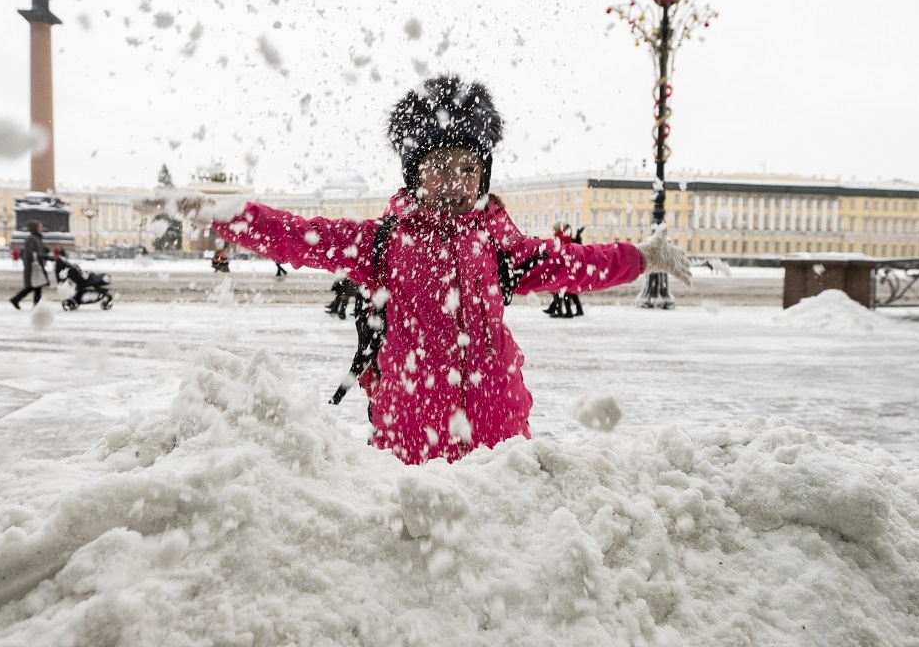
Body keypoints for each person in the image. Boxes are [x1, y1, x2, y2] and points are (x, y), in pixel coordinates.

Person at [210, 75, 691, 465]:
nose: (455, 182)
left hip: (499, 445)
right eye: (440, 166)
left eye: (468, 167)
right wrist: (215, 212)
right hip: (412, 445)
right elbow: (296, 234)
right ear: (414, 171)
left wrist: (644, 256)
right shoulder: (383, 242)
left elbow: (576, 263)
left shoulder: (500, 246)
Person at [9, 221, 50, 309]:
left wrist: (46, 251)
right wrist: (44, 255)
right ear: (35, 228)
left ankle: (17, 300)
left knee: (34, 286)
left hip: (36, 266)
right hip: (33, 268)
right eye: (40, 227)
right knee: (36, 286)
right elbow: (30, 253)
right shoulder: (32, 239)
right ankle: (35, 306)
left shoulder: (37, 238)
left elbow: (38, 251)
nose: (41, 228)